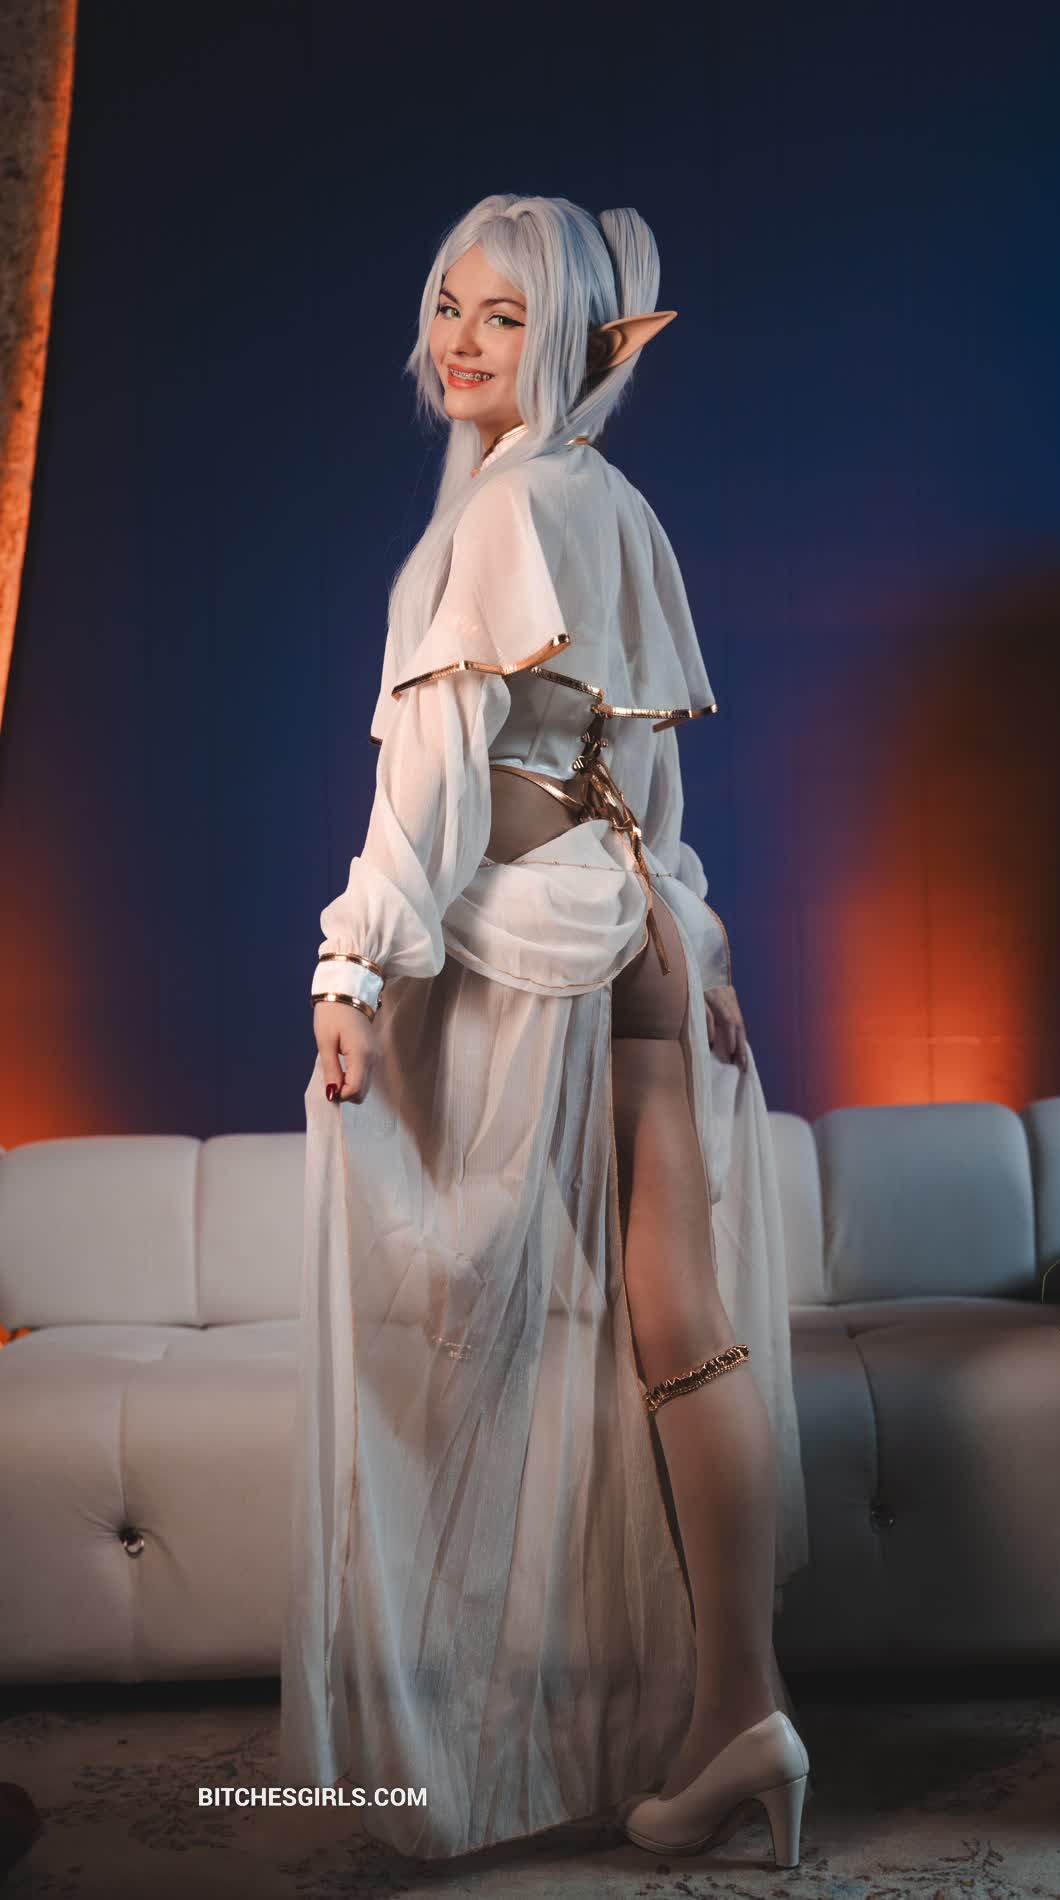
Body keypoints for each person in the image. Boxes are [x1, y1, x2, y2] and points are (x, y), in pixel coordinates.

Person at [279, 193, 810, 1868]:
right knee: (682, 1327)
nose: (459, 340)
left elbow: (436, 784)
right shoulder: (612, 502)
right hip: (634, 927)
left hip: (536, 952)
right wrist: (697, 942)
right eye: (448, 304)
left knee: (471, 1311)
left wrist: (352, 965)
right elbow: (647, 780)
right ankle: (741, 1709)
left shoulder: (507, 510)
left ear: (569, 339)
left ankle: (494, 1721)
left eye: (502, 316)